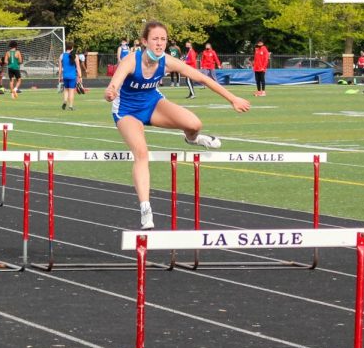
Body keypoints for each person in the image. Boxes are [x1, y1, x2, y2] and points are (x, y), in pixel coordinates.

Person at [104, 21, 250, 229]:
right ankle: (146, 208)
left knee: (194, 123)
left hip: (153, 104)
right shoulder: (130, 61)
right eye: (155, 39)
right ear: (145, 41)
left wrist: (232, 98)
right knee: (142, 153)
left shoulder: (168, 61)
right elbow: (113, 85)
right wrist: (110, 93)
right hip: (127, 111)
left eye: (163, 39)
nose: (159, 44)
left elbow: (203, 78)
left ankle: (192, 139)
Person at [58, 43, 82, 110]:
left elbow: (60, 68)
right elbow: (78, 67)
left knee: (66, 90)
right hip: (72, 76)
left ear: (66, 47)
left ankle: (65, 101)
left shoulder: (62, 55)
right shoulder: (75, 56)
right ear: (72, 48)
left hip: (65, 76)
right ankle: (70, 106)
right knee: (71, 91)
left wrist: (59, 77)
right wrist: (80, 77)